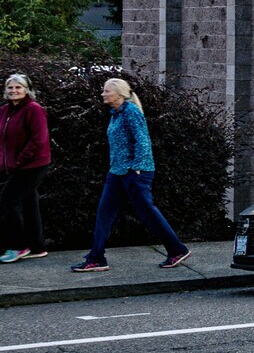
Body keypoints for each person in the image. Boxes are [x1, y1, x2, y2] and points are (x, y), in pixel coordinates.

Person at [72, 77, 192, 273]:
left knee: (147, 213)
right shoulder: (115, 113)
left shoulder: (131, 112)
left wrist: (136, 167)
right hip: (117, 172)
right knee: (104, 214)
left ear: (119, 94)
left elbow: (142, 140)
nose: (103, 94)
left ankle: (177, 250)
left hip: (135, 173)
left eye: (107, 91)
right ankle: (96, 258)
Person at [0, 73, 52, 262]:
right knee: (29, 203)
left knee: (8, 199)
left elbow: (38, 140)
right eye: (10, 87)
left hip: (33, 164)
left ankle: (18, 246)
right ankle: (37, 247)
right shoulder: (5, 110)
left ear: (27, 90)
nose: (14, 90)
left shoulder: (34, 109)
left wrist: (18, 160)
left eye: (18, 87)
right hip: (17, 165)